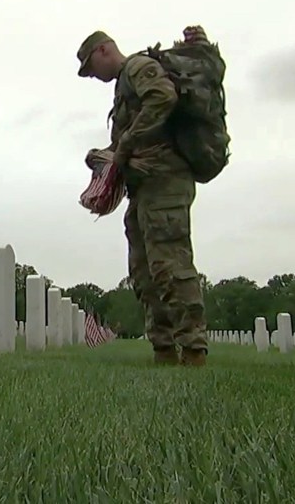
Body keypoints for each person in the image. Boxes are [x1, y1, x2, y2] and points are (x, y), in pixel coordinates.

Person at [76, 27, 209, 366]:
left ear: (105, 50)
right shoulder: (122, 86)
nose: (94, 77)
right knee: (144, 271)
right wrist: (105, 156)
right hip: (143, 187)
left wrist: (123, 147)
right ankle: (163, 347)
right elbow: (130, 137)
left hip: (165, 180)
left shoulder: (137, 68)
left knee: (170, 263)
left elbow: (164, 97)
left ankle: (193, 349)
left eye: (92, 68)